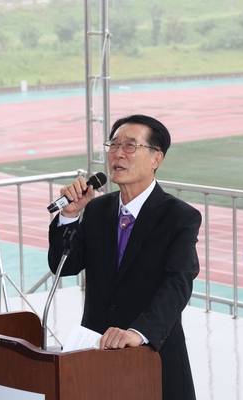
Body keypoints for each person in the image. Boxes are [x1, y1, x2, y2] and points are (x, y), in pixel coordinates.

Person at [47, 114, 201, 400]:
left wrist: (138, 332)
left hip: (153, 354)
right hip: (97, 351)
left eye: (130, 146)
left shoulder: (180, 217)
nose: (117, 153)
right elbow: (62, 266)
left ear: (156, 158)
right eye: (113, 145)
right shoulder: (96, 210)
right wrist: (69, 217)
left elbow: (178, 284)